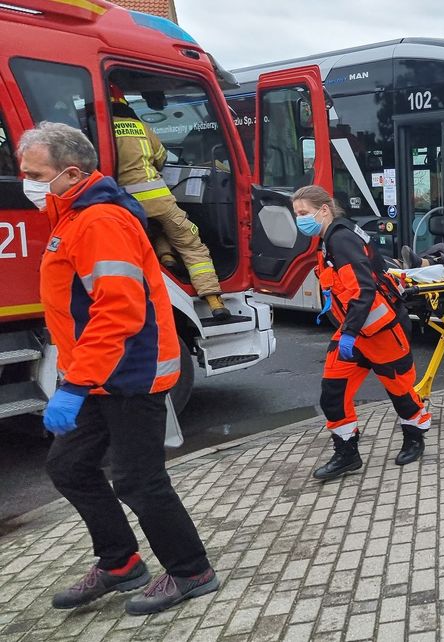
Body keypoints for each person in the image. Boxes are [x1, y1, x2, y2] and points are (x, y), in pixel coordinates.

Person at [20, 122, 218, 615]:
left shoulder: (99, 222)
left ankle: (192, 571)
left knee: (137, 479)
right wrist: (75, 376)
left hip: (131, 371)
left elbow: (118, 312)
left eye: (35, 174)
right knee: (69, 466)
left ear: (71, 174)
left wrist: (74, 385)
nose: (26, 183)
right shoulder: (72, 216)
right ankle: (121, 563)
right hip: (97, 373)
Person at [293, 185, 431, 479]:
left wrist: (349, 333)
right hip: (355, 331)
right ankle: (347, 454)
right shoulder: (330, 239)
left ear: (324, 210)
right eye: (297, 214)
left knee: (401, 393)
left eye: (304, 213)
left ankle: (414, 438)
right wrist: (349, 331)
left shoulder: (341, 240)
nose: (299, 219)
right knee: (333, 393)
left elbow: (363, 290)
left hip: (381, 332)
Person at [110, 85, 231, 320]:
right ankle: (214, 302)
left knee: (152, 229)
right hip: (158, 199)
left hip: (126, 205)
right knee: (189, 243)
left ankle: (166, 256)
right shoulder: (140, 127)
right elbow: (161, 158)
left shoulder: (99, 131)